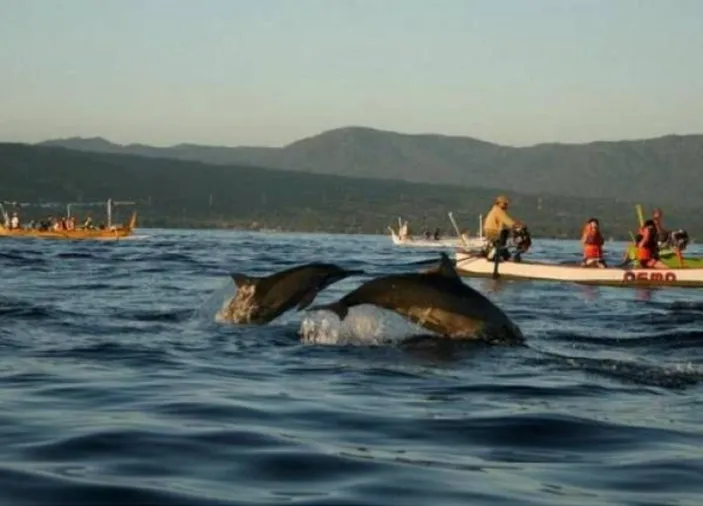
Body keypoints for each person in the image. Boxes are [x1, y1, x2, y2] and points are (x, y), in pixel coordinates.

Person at [483, 195, 523, 260]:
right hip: (493, 231)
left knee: (505, 232)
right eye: (505, 204)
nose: (506, 205)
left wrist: (513, 226)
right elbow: (508, 221)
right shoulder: (498, 210)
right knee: (504, 233)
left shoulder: (495, 209)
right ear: (499, 203)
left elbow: (505, 222)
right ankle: (498, 253)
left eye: (507, 204)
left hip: (490, 231)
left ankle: (503, 253)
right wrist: (518, 226)